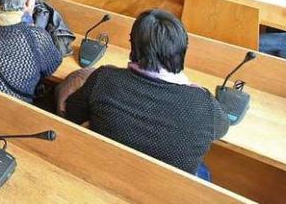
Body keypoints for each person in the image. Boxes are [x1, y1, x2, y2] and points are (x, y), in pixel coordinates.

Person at [61, 10, 229, 178]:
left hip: (107, 173)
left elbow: (72, 111)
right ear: (182, 49)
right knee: (202, 170)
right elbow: (222, 130)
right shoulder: (203, 103)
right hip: (168, 189)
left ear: (133, 46)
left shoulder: (104, 78)